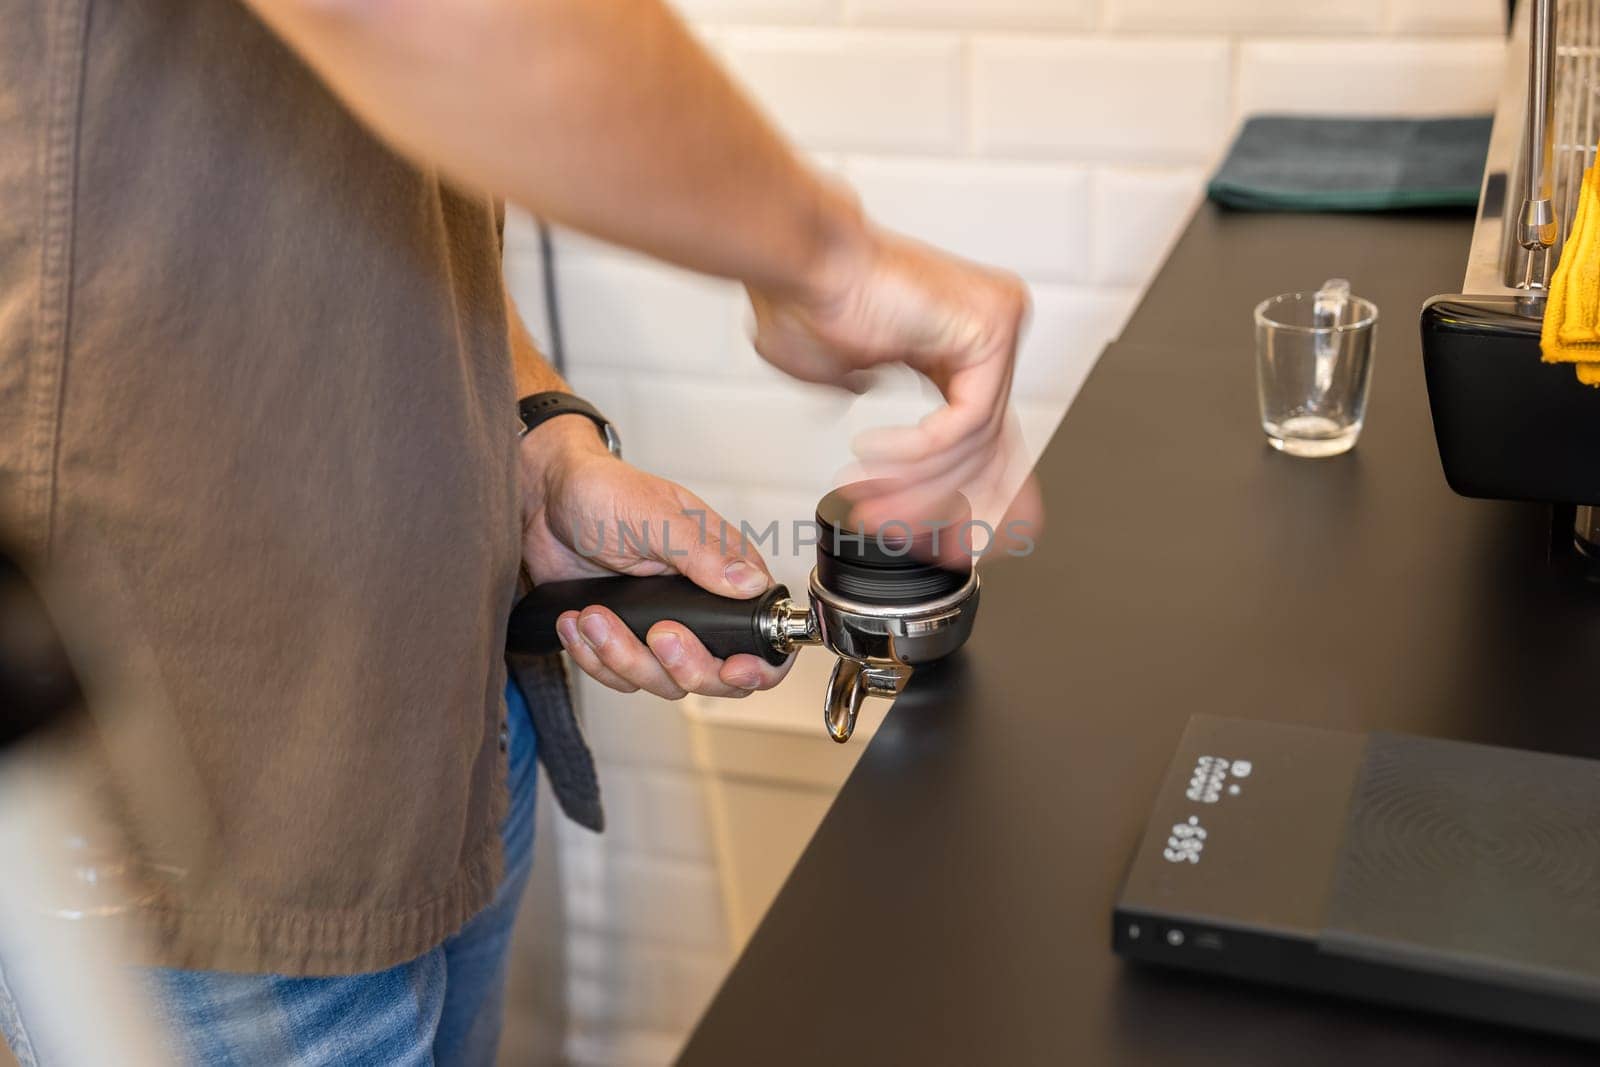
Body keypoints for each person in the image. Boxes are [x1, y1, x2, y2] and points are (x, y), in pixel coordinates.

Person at [0, 0, 1033, 1063]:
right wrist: (831, 260)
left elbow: (389, 180)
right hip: (208, 792)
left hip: (453, 724)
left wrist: (537, 444)